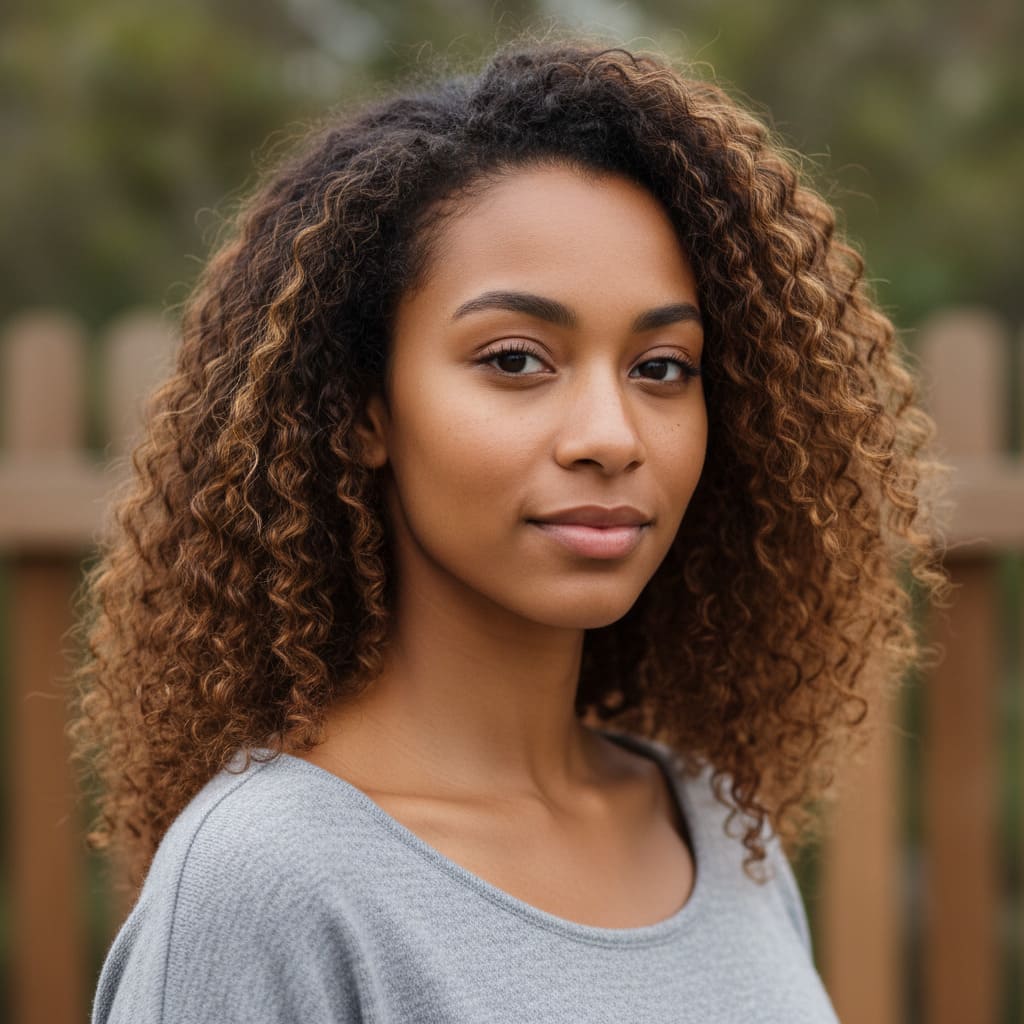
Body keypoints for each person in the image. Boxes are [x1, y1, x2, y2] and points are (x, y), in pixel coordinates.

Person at [71, 32, 948, 1024]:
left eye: (661, 367)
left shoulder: (711, 825)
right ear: (362, 410)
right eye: (517, 359)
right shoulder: (268, 881)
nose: (610, 436)